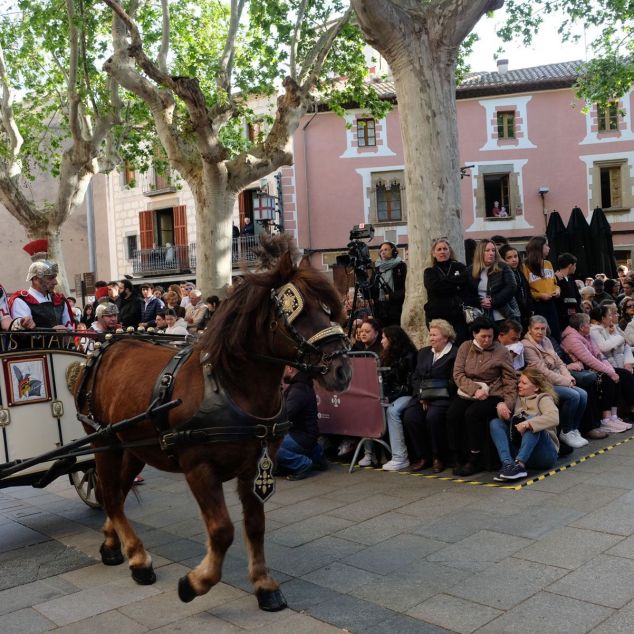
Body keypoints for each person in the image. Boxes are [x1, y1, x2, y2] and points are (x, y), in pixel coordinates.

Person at [447, 317, 517, 476]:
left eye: (490, 337)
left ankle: (475, 458)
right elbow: (458, 374)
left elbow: (510, 380)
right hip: (469, 391)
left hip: (493, 393)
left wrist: (508, 403)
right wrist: (474, 389)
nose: (487, 340)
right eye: (483, 336)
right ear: (474, 335)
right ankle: (456, 456)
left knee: (472, 414)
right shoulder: (465, 347)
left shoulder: (501, 351)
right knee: (452, 414)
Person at [522, 315, 588, 448]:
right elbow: (543, 372)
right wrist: (566, 382)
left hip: (558, 379)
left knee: (583, 394)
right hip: (543, 384)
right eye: (537, 329)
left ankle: (574, 429)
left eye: (543, 329)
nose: (540, 332)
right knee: (573, 395)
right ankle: (566, 431)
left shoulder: (546, 340)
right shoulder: (527, 345)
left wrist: (569, 377)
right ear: (529, 329)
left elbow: (559, 362)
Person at [402, 319, 458, 473]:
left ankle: (438, 457)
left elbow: (453, 381)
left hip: (443, 396)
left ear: (445, 337)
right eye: (430, 335)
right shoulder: (424, 352)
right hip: (422, 396)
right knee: (410, 416)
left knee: (433, 417)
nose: (431, 338)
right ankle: (423, 456)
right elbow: (415, 377)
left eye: (434, 335)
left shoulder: (454, 353)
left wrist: (431, 397)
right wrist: (421, 396)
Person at [561, 312, 630, 433]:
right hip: (582, 369)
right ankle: (606, 419)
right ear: (582, 327)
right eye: (588, 323)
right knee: (608, 378)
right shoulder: (572, 339)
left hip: (593, 367)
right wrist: (610, 372)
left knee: (621, 374)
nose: (590, 326)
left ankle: (614, 417)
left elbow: (599, 355)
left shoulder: (587, 335)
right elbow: (590, 360)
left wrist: (611, 370)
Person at [489, 368, 560, 481]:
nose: (519, 385)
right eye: (519, 382)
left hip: (545, 455)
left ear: (536, 387)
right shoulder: (518, 399)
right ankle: (508, 464)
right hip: (520, 449)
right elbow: (513, 424)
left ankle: (520, 465)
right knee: (495, 423)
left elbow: (554, 418)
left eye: (524, 383)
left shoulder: (543, 398)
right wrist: (502, 408)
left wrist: (528, 423)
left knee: (531, 421)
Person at [276, 366, 328, 480]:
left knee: (268, 447)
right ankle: (317, 454)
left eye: (282, 367)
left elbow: (284, 416)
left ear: (290, 368)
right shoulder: (300, 386)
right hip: (305, 435)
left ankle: (302, 464)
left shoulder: (298, 390)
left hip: (301, 437)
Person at [9, 240, 74, 330]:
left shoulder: (60, 301)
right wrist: (52, 333)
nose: (55, 282)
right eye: (50, 278)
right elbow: (22, 336)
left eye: (55, 277)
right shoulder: (22, 301)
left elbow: (70, 331)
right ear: (35, 279)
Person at [379, 326, 417, 471]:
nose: (381, 341)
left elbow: (408, 385)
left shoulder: (409, 356)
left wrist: (390, 397)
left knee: (392, 412)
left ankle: (400, 457)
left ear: (392, 340)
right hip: (391, 394)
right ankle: (372, 453)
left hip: (407, 394)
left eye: (384, 338)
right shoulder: (385, 355)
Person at [589, 304, 634, 423]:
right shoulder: (594, 330)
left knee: (626, 372)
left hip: (620, 362)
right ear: (602, 318)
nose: (612, 317)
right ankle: (631, 409)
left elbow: (626, 346)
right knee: (625, 375)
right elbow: (604, 347)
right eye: (609, 315)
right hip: (607, 365)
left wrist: (628, 362)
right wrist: (619, 338)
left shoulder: (611, 328)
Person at [424, 237, 469, 344]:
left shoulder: (460, 267)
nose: (442, 251)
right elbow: (434, 288)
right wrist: (456, 284)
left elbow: (465, 283)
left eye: (445, 249)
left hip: (459, 316)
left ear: (450, 251)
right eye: (439, 249)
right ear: (433, 254)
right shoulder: (430, 272)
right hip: (437, 316)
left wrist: (444, 284)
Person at [465, 239, 520, 325]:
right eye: (487, 250)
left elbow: (511, 287)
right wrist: (480, 301)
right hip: (481, 316)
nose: (491, 253)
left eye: (493, 250)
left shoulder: (503, 267)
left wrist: (493, 301)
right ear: (480, 253)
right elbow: (467, 293)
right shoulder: (470, 270)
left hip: (504, 314)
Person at [522, 236, 562, 342]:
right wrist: (539, 295)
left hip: (552, 304)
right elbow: (526, 290)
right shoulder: (525, 266)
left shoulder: (548, 264)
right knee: (541, 335)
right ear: (539, 247)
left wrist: (557, 290)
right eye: (546, 245)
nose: (549, 248)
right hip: (537, 305)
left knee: (555, 333)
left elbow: (555, 283)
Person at [499, 244, 533, 333]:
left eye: (515, 256)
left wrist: (530, 308)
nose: (514, 260)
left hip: (525, 313)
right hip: (513, 314)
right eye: (509, 258)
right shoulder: (503, 275)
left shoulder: (520, 273)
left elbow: (527, 292)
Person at [373, 241, 406, 326]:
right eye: (381, 250)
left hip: (396, 307)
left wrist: (391, 296)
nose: (383, 252)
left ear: (393, 251)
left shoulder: (401, 266)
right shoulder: (377, 267)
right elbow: (372, 285)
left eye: (386, 249)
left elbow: (406, 288)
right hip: (380, 307)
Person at [554, 253, 581, 332]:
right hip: (562, 319)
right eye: (575, 265)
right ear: (570, 265)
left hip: (574, 318)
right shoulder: (555, 279)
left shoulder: (571, 280)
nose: (575, 268)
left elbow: (578, 297)